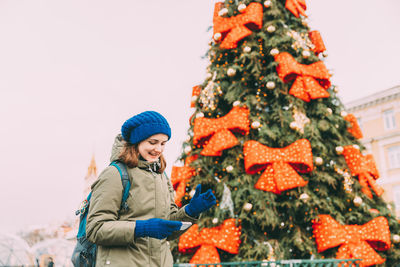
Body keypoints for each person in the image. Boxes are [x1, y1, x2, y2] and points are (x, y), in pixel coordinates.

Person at [86, 111, 216, 267]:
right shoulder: (115, 174)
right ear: (136, 141)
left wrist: (190, 212)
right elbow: (96, 229)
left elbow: (167, 229)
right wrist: (142, 228)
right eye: (153, 142)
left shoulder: (161, 177)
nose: (159, 149)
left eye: (163, 143)